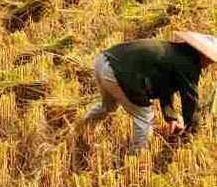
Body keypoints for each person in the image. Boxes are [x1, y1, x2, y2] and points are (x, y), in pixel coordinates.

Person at [82, 31, 216, 153]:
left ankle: (81, 130)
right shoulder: (189, 64)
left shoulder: (175, 52)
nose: (209, 64)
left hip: (103, 60)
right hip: (119, 72)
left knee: (108, 107)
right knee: (144, 117)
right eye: (210, 60)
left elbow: (165, 87)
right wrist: (192, 131)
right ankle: (136, 155)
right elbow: (190, 99)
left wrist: (171, 117)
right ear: (203, 54)